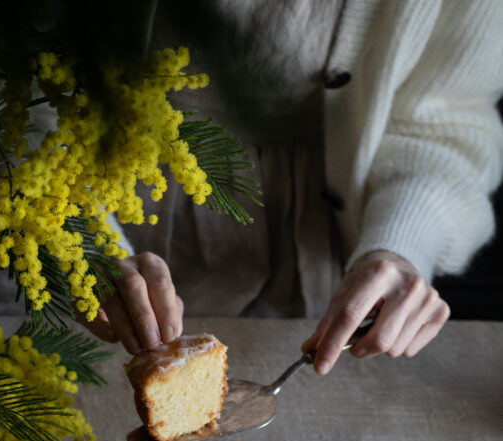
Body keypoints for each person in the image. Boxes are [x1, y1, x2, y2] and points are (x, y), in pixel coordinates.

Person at [79, 0, 503, 373]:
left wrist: (402, 243)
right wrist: (81, 245)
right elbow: (26, 92)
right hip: (103, 193)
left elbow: (447, 126)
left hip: (324, 241)